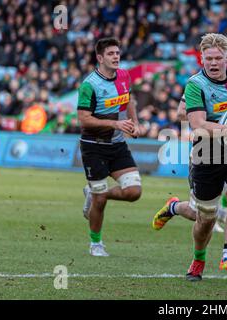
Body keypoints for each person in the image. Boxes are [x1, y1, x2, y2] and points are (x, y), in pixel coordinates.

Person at [155, 33, 227, 281]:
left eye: (218, 58)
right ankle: (198, 259)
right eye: (208, 58)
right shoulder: (195, 85)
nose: (213, 63)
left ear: (225, 59)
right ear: (201, 59)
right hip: (206, 155)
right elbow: (197, 124)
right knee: (205, 220)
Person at [77, 37, 142, 257]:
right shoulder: (89, 85)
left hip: (117, 144)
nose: (116, 57)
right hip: (93, 146)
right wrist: (115, 123)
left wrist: (134, 123)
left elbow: (129, 100)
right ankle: (96, 244)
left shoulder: (124, 76)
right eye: (111, 54)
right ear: (100, 58)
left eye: (118, 53)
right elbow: (84, 119)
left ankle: (95, 193)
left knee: (134, 192)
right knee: (100, 199)